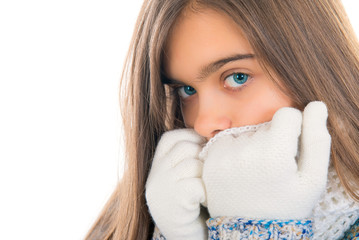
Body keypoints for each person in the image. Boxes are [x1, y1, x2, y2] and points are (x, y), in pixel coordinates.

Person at [85, 0, 359, 239]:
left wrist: (258, 230)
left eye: (237, 77)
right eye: (187, 90)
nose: (203, 123)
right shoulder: (145, 211)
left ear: (316, 66)